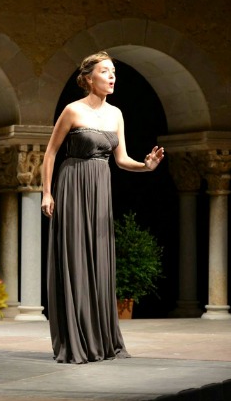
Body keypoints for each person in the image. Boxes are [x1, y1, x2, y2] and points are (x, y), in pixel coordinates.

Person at [41, 51, 164, 364]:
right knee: (74, 257)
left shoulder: (116, 114)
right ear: (88, 78)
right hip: (72, 183)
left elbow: (121, 160)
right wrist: (46, 192)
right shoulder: (72, 110)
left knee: (97, 257)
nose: (112, 77)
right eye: (105, 72)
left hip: (100, 187)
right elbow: (50, 154)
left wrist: (146, 166)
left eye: (113, 73)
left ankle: (101, 338)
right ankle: (75, 338)